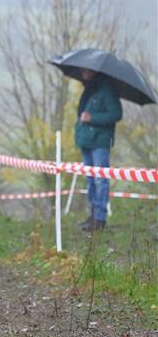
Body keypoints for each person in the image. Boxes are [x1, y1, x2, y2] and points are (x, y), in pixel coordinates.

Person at [74, 69, 122, 232]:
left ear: (94, 71)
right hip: (86, 141)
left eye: (86, 70)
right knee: (90, 180)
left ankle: (100, 218)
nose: (83, 72)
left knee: (101, 179)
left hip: (100, 142)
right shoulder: (89, 89)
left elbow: (116, 114)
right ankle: (93, 215)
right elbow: (81, 114)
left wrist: (92, 118)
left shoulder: (107, 89)